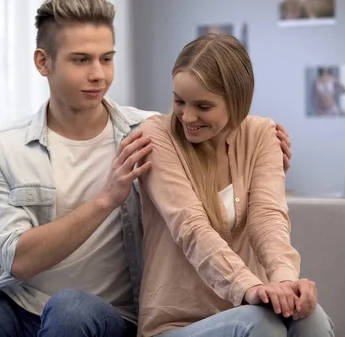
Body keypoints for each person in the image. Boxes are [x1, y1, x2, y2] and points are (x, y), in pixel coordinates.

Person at [0, 1, 294, 336]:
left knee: (70, 309)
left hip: (110, 315)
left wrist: (262, 155)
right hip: (24, 305)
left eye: (106, 58)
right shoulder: (6, 146)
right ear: (43, 62)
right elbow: (18, 260)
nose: (98, 74)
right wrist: (105, 199)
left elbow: (212, 181)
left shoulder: (151, 133)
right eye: (81, 59)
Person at [136, 33, 334, 337]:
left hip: (249, 309)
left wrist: (284, 281)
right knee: (260, 324)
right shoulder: (157, 137)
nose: (187, 116)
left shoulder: (263, 135)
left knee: (311, 318)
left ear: (237, 101)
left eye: (203, 106)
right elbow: (191, 228)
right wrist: (249, 286)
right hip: (176, 324)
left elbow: (268, 219)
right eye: (179, 101)